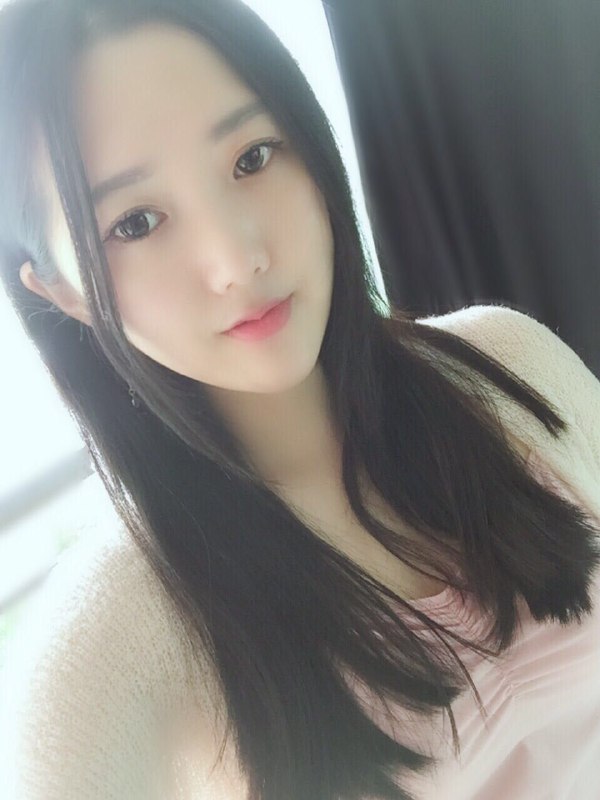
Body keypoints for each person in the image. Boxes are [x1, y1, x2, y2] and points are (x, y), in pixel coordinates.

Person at [0, 1, 599, 798]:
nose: (237, 258)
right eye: (136, 222)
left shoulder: (506, 365)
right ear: (63, 294)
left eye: (252, 157)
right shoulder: (102, 656)